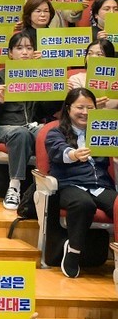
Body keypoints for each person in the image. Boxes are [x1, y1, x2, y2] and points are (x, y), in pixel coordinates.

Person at [46, 87, 116, 278]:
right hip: (70, 184)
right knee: (83, 203)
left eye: (90, 108)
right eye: (80, 107)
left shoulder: (105, 132)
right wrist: (74, 154)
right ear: (68, 109)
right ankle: (74, 252)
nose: (85, 112)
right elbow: (59, 151)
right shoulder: (55, 132)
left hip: (100, 185)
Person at [0, 31, 59, 211]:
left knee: (49, 132)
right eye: (19, 48)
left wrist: (58, 89)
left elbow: (49, 110)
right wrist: (0, 100)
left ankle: (49, 185)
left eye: (29, 48)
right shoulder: (1, 76)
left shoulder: (40, 75)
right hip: (6, 127)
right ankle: (14, 186)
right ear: (10, 53)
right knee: (20, 133)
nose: (25, 52)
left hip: (33, 126)